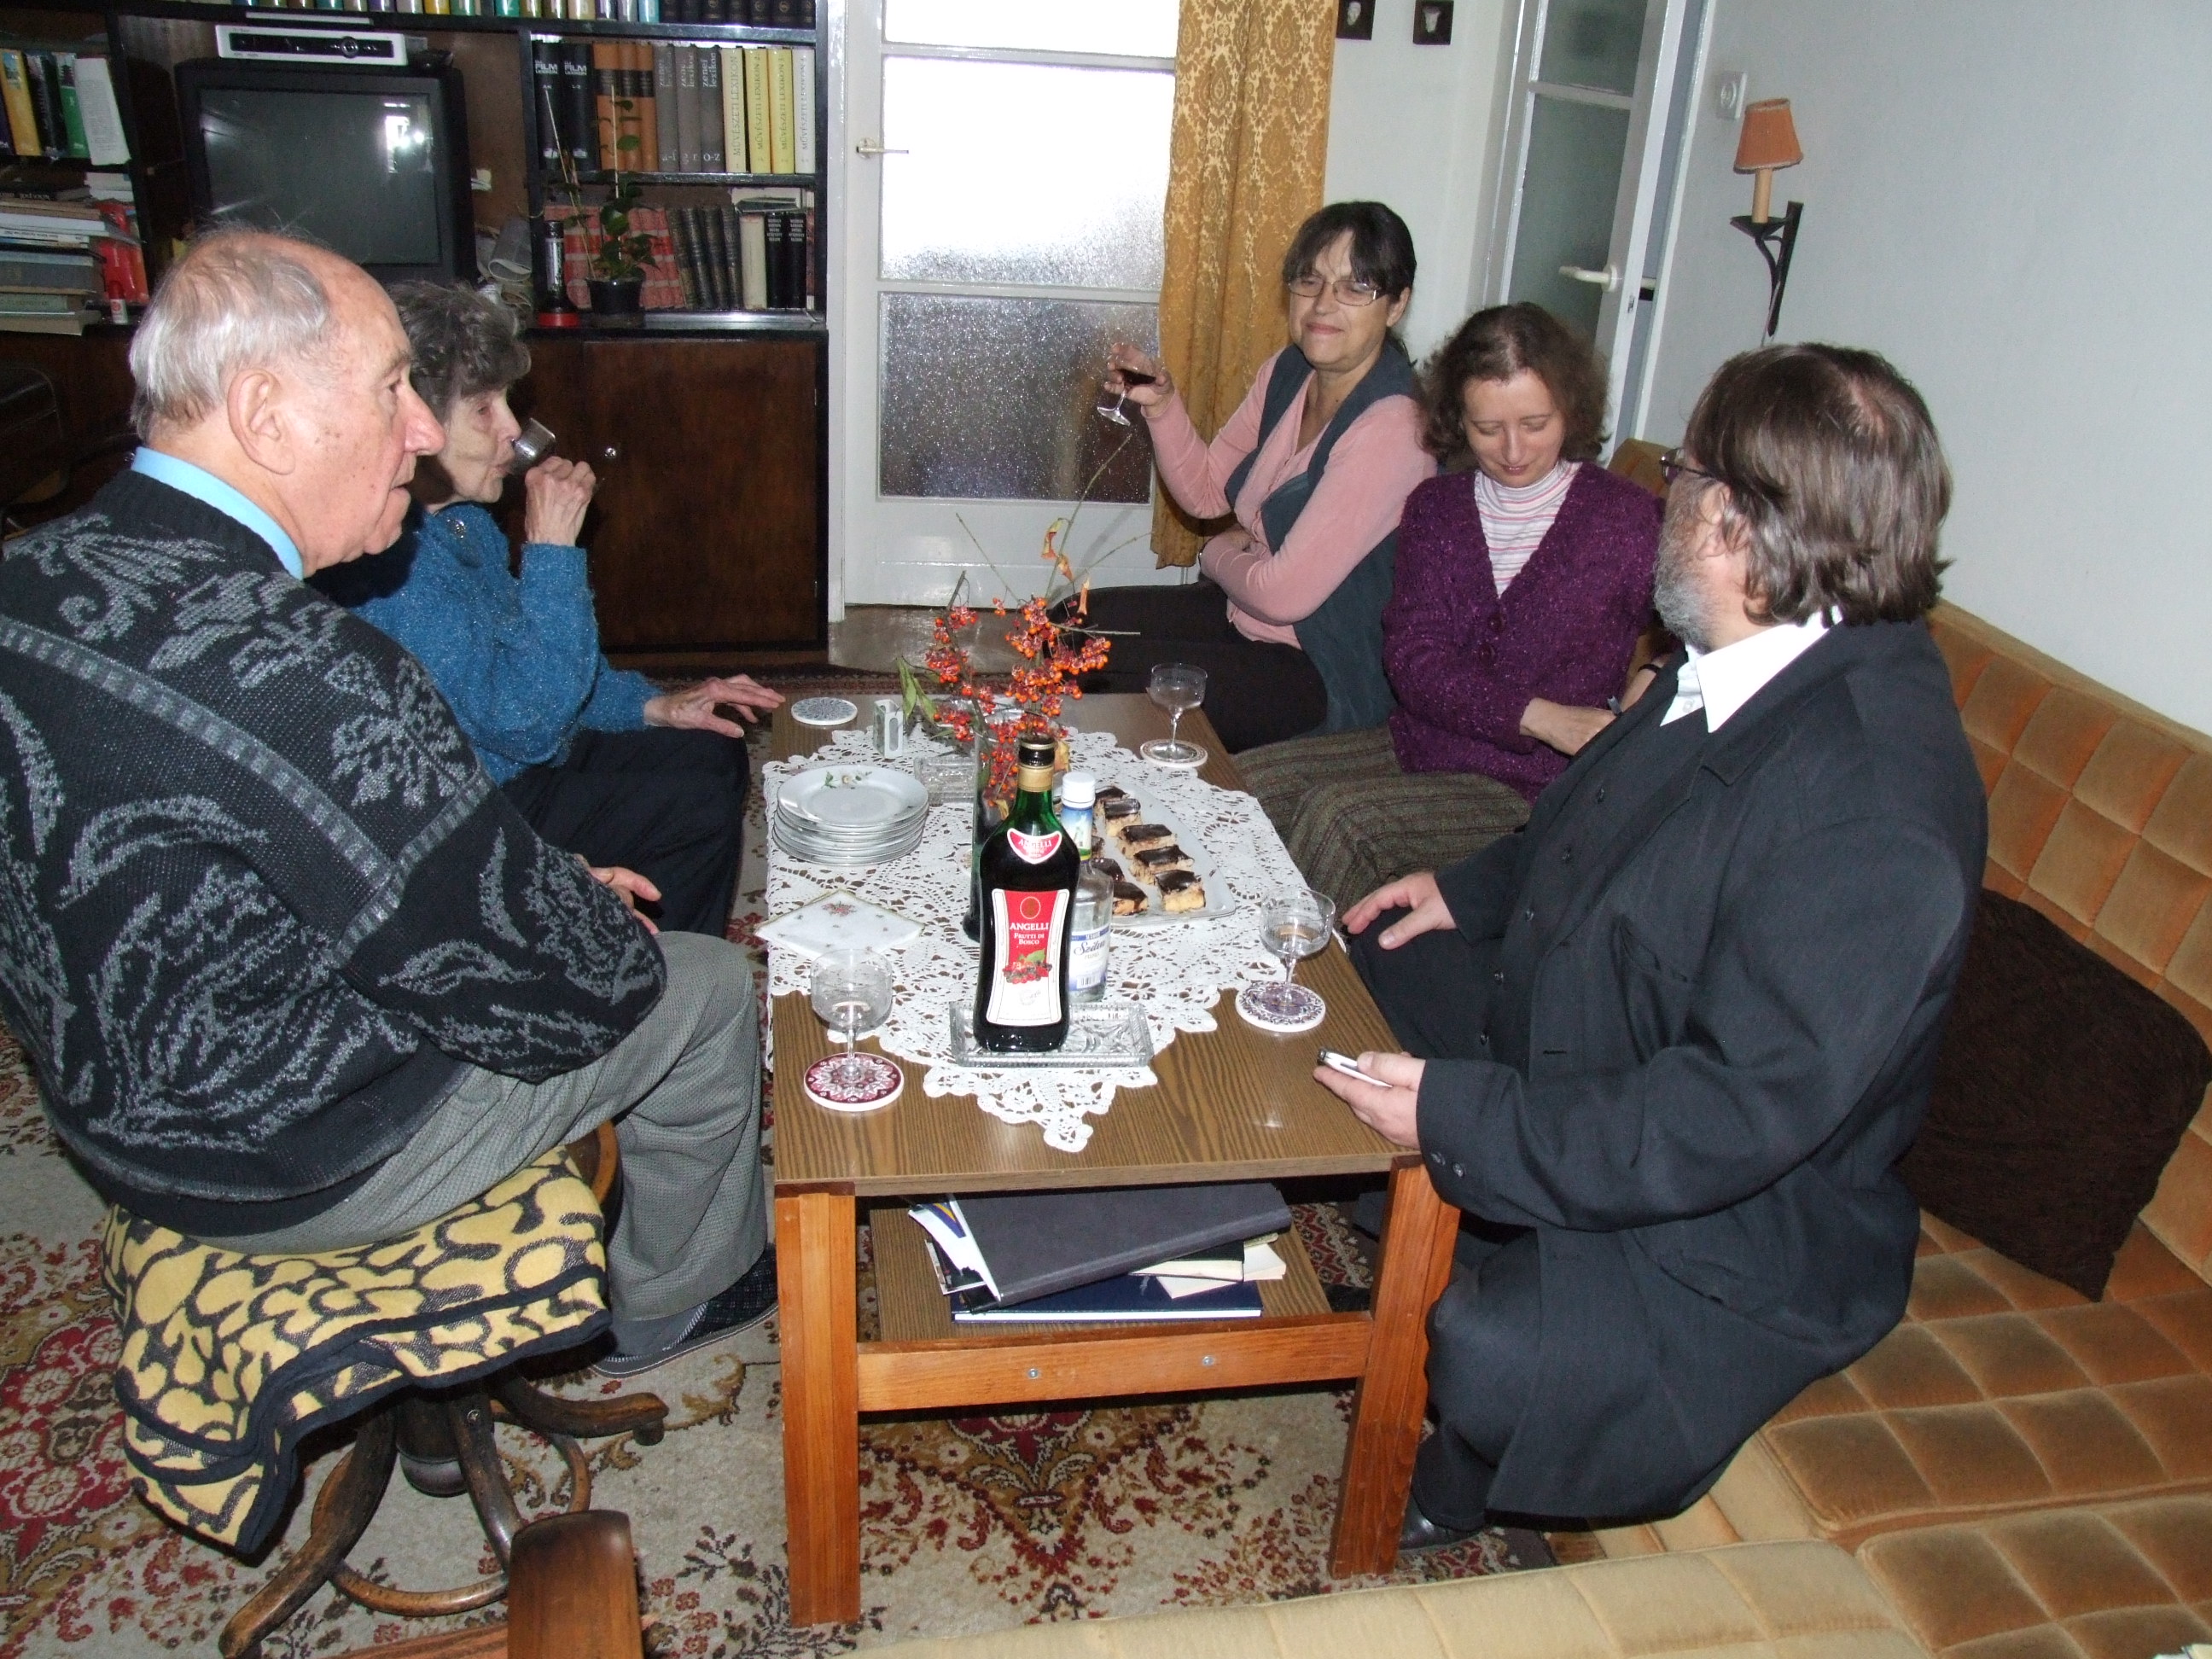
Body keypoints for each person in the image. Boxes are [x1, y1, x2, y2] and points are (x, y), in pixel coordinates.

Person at [0, 230, 774, 1380]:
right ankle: (676, 1299)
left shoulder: (28, 574)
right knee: (705, 988)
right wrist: (581, 914)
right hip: (291, 1159)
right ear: (265, 415)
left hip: (110, 1122)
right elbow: (536, 988)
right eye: (389, 391)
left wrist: (537, 883)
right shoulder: (308, 665)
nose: (420, 432)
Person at [1315, 343, 1987, 1543]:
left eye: (1680, 472)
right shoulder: (1743, 661)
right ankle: (1435, 1231)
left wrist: (1471, 1119)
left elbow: (1727, 1117)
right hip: (1603, 1034)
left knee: (1497, 1350)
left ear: (1731, 521)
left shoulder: (1876, 803)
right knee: (1380, 951)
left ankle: (1458, 1474)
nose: (1661, 496)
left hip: (1732, 1206)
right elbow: (1591, 824)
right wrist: (1466, 889)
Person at [317, 282, 780, 937]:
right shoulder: (395, 572)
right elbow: (527, 723)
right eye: (484, 409)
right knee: (694, 805)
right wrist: (554, 552)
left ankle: (659, 943)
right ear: (411, 421)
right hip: (480, 804)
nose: (512, 429)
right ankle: (651, 971)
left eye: (507, 402)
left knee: (712, 752)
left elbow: (538, 660)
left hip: (527, 749)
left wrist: (656, 707)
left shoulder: (459, 523)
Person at [1237, 303, 1662, 910]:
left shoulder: (1626, 520)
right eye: (1488, 428)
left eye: (1535, 423)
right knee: (1238, 789)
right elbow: (1414, 661)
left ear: (1571, 409)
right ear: (1458, 420)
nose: (1513, 450)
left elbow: (1714, 626)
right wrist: (1537, 716)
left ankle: (1295, 968)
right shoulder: (1436, 509)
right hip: (1421, 743)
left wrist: (1656, 672)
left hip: (1534, 787)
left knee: (1340, 821)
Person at [1074, 201, 1435, 752]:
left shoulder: (1393, 428)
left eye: (1354, 287)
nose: (1323, 304)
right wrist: (1162, 405)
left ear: (1396, 304)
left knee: (1101, 670)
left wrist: (1215, 552)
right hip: (1242, 616)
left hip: (1319, 670)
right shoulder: (1289, 372)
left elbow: (1283, 596)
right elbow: (1205, 494)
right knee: (1071, 625)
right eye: (1309, 281)